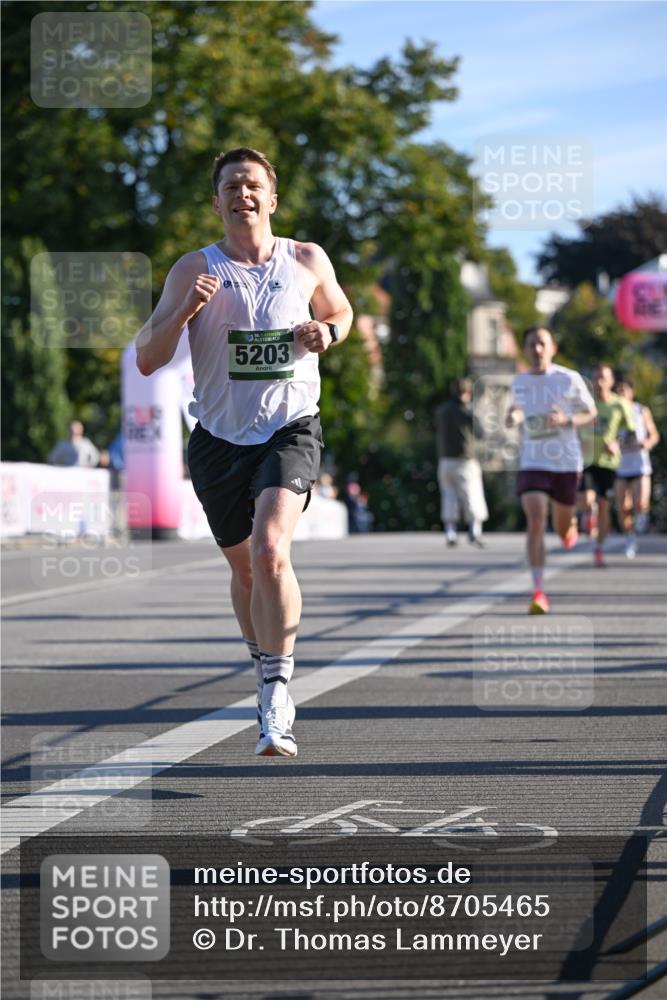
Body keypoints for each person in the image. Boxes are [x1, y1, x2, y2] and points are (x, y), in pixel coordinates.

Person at [136, 147, 353, 757]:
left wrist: (327, 332)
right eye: (231, 185)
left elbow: (339, 309)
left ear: (272, 199)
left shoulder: (305, 258)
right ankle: (264, 664)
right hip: (218, 442)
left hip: (291, 428)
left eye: (253, 184)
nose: (242, 194)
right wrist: (184, 310)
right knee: (244, 569)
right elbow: (147, 358)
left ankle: (276, 690)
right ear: (216, 201)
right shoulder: (192, 268)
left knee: (269, 548)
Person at [506, 326, 596, 614]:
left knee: (561, 526)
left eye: (542, 344)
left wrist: (567, 419)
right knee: (535, 518)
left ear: (552, 348)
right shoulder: (520, 381)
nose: (537, 350)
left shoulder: (568, 378)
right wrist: (513, 415)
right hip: (533, 460)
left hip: (566, 463)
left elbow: (590, 412)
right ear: (525, 349)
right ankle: (538, 590)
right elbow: (518, 408)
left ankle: (569, 529)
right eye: (531, 344)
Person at [577, 364, 635, 567]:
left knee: (604, 506)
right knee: (585, 499)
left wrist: (617, 443)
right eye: (596, 378)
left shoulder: (620, 405)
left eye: (603, 378)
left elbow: (631, 432)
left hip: (609, 463)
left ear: (611, 381)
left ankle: (598, 548)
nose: (599, 382)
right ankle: (586, 513)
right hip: (585, 460)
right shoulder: (585, 404)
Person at [435, 377, 489, 547]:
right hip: (465, 460)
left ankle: (451, 533)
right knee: (471, 496)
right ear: (468, 392)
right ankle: (474, 531)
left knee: (449, 496)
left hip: (445, 460)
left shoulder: (442, 411)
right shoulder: (467, 411)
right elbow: (482, 433)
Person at [613, 374, 659, 558]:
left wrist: (647, 443)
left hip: (640, 465)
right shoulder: (613, 412)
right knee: (623, 506)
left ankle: (642, 516)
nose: (622, 392)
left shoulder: (641, 411)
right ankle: (629, 538)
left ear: (632, 392)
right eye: (619, 389)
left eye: (625, 389)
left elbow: (654, 434)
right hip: (620, 466)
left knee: (641, 502)